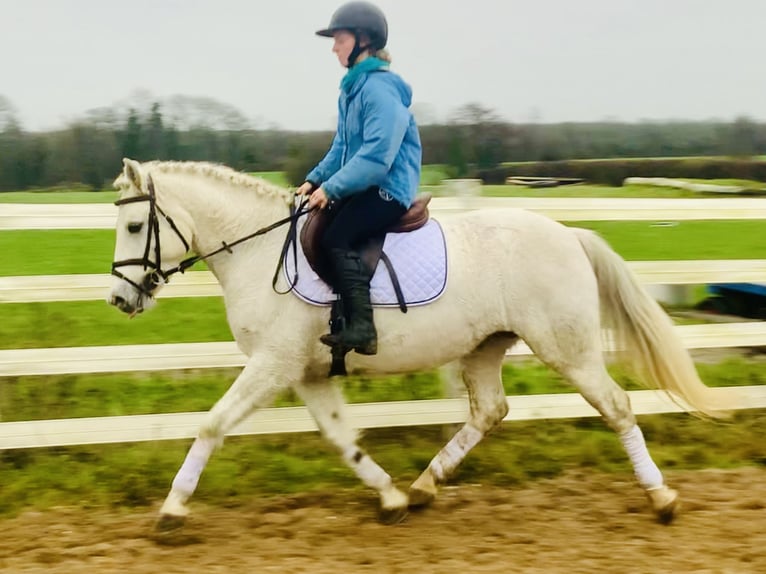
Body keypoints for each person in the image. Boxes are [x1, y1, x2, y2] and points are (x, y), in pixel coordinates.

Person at [297, 1, 422, 356]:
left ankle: (364, 329)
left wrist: (332, 188)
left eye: (339, 39)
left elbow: (376, 156)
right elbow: (342, 148)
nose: (334, 47)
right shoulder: (351, 90)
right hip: (364, 185)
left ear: (363, 40)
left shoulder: (379, 89)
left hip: (387, 189)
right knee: (316, 227)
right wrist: (315, 179)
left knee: (338, 235)